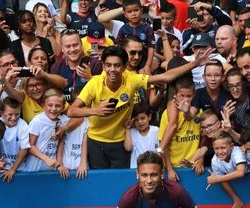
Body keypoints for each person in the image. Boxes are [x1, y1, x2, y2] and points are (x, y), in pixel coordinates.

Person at [67, 45, 214, 169]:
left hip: (120, 142)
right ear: (103, 66)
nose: (113, 69)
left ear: (124, 67)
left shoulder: (132, 80)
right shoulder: (94, 83)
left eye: (117, 65)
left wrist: (196, 63)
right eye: (109, 65)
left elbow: (167, 77)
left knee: (121, 183)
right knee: (100, 184)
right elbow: (71, 111)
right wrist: (95, 111)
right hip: (96, 141)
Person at [22, 88, 69, 172]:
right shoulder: (38, 121)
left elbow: (61, 142)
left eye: (58, 106)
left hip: (51, 168)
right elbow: (30, 147)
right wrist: (46, 159)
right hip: (34, 168)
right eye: (50, 105)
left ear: (63, 107)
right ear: (43, 106)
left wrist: (59, 163)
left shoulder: (62, 121)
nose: (53, 109)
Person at [206, 131, 247, 208]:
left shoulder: (237, 152)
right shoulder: (214, 160)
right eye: (216, 148)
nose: (220, 152)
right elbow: (223, 182)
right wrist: (236, 199)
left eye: (223, 147)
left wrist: (217, 179)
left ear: (232, 146)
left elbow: (240, 172)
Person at [0, 97, 30, 182]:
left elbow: (24, 149)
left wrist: (13, 169)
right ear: (2, 113)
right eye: (10, 114)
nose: (14, 118)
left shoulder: (23, 126)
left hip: (19, 169)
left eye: (17, 114)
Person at [124, 102, 158, 168]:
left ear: (149, 117)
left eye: (143, 118)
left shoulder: (156, 131)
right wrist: (127, 129)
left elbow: (161, 148)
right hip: (136, 169)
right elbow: (128, 148)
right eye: (136, 120)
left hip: (153, 168)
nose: (140, 122)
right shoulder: (132, 132)